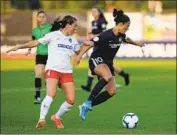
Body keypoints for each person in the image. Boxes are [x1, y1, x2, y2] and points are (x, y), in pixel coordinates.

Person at [6, 15, 87, 129]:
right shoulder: (53, 35)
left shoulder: (73, 40)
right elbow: (35, 43)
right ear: (68, 25)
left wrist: (85, 47)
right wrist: (19, 46)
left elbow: (79, 53)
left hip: (66, 72)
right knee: (51, 94)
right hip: (52, 70)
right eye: (75, 26)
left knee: (71, 100)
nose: (76, 28)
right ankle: (42, 118)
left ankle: (57, 117)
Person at [73, 9, 144, 121]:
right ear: (120, 24)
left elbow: (127, 39)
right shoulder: (106, 35)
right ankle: (88, 101)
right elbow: (90, 43)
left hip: (108, 63)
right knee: (107, 76)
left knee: (112, 91)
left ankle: (86, 106)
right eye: (126, 26)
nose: (127, 28)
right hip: (96, 60)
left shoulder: (121, 35)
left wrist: (137, 44)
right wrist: (79, 56)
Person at [81, 7, 130, 92]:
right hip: (96, 43)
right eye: (92, 11)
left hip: (101, 43)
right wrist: (90, 35)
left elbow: (104, 33)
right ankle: (124, 74)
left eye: (94, 11)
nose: (93, 13)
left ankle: (89, 85)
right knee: (101, 63)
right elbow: (95, 33)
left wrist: (94, 36)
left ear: (99, 13)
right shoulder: (93, 22)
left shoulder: (102, 21)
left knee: (101, 63)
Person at [26, 11, 52, 104]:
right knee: (38, 74)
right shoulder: (35, 30)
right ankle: (37, 96)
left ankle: (48, 96)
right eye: (40, 17)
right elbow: (32, 40)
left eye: (43, 16)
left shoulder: (51, 28)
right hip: (40, 55)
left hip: (51, 55)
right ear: (37, 18)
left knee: (49, 77)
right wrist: (29, 49)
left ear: (46, 18)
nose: (41, 18)